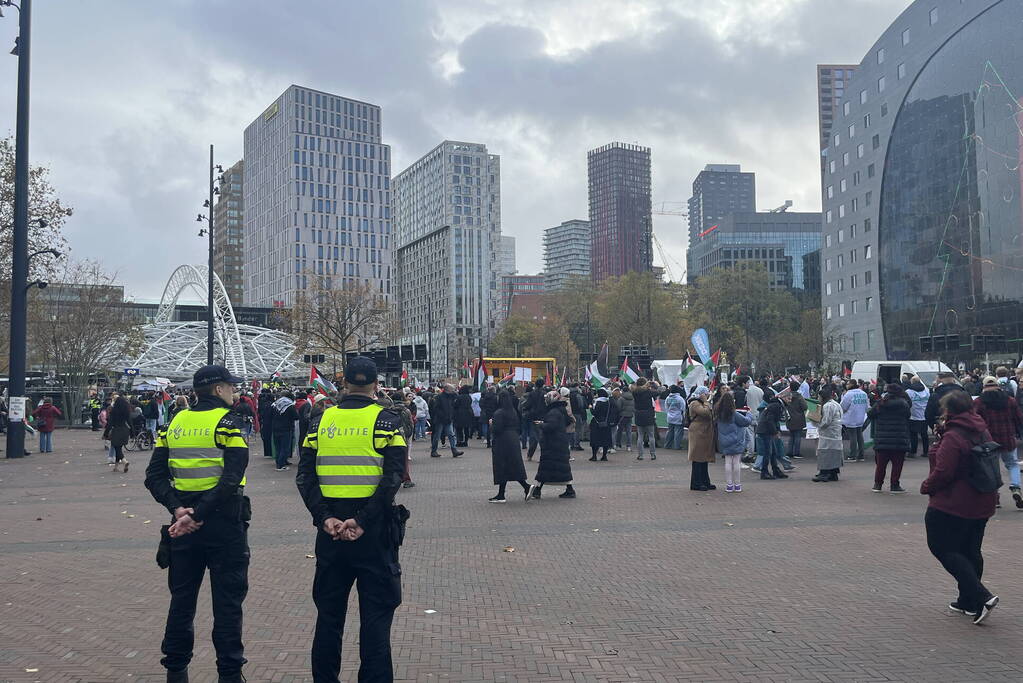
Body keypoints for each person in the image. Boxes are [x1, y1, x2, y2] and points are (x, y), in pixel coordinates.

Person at [295, 357, 408, 681]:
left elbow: (305, 476)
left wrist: (325, 518)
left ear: (343, 384)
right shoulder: (386, 421)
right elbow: (393, 477)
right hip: (372, 534)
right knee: (376, 618)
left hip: (330, 534)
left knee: (329, 618)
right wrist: (361, 521)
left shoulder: (321, 422)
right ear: (375, 385)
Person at [144, 365, 250, 683]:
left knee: (182, 601)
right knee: (228, 604)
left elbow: (154, 477)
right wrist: (199, 514)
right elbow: (232, 478)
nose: (234, 391)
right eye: (230, 387)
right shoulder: (229, 423)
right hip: (224, 526)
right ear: (218, 389)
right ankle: (229, 674)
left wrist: (179, 510)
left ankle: (176, 671)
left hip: (183, 529)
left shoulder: (174, 423)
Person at [921, 390, 999, 624]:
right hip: (983, 499)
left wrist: (927, 486)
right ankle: (967, 600)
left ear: (948, 410)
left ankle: (981, 595)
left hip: (954, 502)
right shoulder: (981, 428)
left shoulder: (954, 435)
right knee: (970, 549)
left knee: (941, 546)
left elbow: (944, 470)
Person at [973, 376, 1023, 509]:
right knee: (1012, 464)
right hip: (1007, 437)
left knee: (992, 468)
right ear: (998, 386)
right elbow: (1019, 418)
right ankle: (1016, 486)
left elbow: (974, 420)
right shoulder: (1010, 400)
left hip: (988, 440)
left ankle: (995, 497)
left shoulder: (979, 402)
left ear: (983, 387)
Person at [528, 391, 575, 500]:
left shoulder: (553, 412)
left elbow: (551, 426)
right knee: (561, 468)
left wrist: (541, 424)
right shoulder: (561, 410)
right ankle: (569, 489)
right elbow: (567, 422)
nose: (545, 401)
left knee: (546, 468)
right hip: (559, 443)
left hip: (552, 444)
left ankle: (538, 490)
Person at [868, 383, 912, 493]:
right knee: (897, 464)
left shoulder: (881, 403)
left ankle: (877, 484)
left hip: (882, 438)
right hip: (899, 438)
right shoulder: (903, 404)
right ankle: (894, 485)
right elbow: (908, 415)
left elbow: (870, 414)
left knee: (881, 465)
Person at [489, 390, 530, 502]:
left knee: (502, 466)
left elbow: (497, 429)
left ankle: (523, 487)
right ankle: (503, 493)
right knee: (512, 466)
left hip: (503, 441)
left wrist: (491, 425)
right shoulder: (513, 411)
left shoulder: (499, 413)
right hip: (513, 439)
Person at [714, 391, 752, 492]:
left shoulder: (719, 413)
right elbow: (746, 422)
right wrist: (749, 414)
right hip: (736, 440)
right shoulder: (734, 414)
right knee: (736, 462)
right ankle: (737, 484)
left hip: (724, 441)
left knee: (727, 462)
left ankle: (729, 485)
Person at [812, 385, 845, 482]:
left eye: (819, 397)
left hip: (828, 434)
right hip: (836, 433)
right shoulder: (835, 404)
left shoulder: (827, 406)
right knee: (834, 453)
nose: (818, 399)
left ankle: (825, 473)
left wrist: (816, 422)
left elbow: (826, 421)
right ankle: (833, 473)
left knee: (825, 453)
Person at [687, 386, 716, 490]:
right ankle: (696, 483)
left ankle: (705, 481)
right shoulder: (694, 403)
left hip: (704, 432)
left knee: (704, 459)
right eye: (706, 393)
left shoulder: (702, 403)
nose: (708, 395)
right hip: (698, 432)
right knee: (698, 458)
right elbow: (706, 413)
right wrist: (706, 402)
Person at [756, 392, 788, 480]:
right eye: (788, 398)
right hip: (766, 430)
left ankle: (775, 470)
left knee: (773, 451)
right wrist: (775, 432)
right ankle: (764, 471)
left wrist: (776, 430)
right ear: (784, 398)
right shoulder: (776, 406)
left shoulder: (774, 405)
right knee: (768, 452)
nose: (790, 400)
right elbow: (770, 420)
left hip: (765, 429)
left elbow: (773, 419)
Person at [429, 384, 462, 458]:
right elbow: (436, 408)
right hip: (440, 419)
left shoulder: (451, 396)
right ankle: (434, 451)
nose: (453, 390)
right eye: (452, 389)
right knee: (437, 436)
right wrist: (443, 415)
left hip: (448, 419)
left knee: (451, 434)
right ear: (447, 390)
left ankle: (454, 450)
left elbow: (455, 402)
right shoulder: (439, 397)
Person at [840, 380, 869, 462]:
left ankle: (852, 455)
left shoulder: (849, 394)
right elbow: (867, 407)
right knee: (860, 436)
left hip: (851, 418)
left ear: (851, 385)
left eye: (848, 384)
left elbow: (843, 407)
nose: (846, 385)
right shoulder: (863, 393)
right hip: (861, 418)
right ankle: (861, 455)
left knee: (853, 437)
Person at [631, 378, 659, 460]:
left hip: (638, 414)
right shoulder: (648, 392)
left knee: (640, 436)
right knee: (651, 435)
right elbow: (658, 391)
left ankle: (640, 455)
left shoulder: (634, 392)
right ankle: (653, 454)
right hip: (648, 414)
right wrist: (653, 384)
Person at [588, 388, 618, 461]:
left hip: (597, 423)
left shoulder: (598, 402)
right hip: (606, 423)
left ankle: (594, 456)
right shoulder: (608, 402)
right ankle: (604, 456)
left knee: (595, 439)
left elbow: (595, 413)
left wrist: (591, 408)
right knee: (605, 439)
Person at [104, 396, 132, 472]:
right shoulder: (126, 411)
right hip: (125, 430)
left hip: (116, 431)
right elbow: (130, 422)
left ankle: (124, 461)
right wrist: (132, 433)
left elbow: (110, 424)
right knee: (118, 448)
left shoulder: (114, 412)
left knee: (117, 449)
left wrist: (105, 433)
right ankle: (116, 467)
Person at [905, 375, 931, 459]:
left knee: (913, 434)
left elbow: (906, 403)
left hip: (913, 415)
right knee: (924, 434)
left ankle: (913, 452)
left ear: (912, 382)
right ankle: (926, 451)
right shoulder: (926, 390)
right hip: (924, 415)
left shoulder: (909, 392)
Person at [785, 381, 807, 459]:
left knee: (791, 436)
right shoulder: (799, 397)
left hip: (790, 418)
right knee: (797, 436)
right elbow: (805, 407)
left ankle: (789, 452)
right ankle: (796, 453)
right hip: (798, 418)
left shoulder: (786, 396)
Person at [663, 386, 686, 450]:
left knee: (670, 432)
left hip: (670, 416)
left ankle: (667, 445)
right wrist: (683, 417)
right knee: (678, 433)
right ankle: (677, 446)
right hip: (678, 417)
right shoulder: (680, 398)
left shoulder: (668, 398)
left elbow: (666, 407)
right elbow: (683, 408)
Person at [616, 384, 635, 452]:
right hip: (630, 416)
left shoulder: (621, 398)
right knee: (629, 431)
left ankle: (618, 445)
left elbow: (618, 407)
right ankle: (629, 446)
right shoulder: (632, 398)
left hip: (622, 416)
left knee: (619, 431)